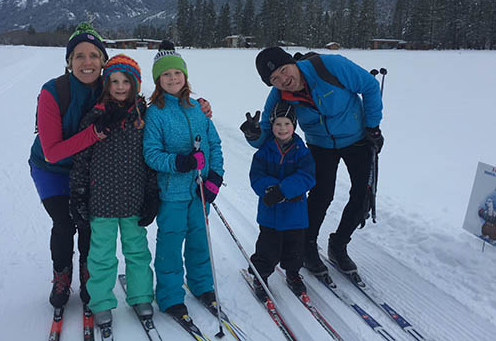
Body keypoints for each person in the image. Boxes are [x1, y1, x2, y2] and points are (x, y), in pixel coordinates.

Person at [241, 47, 383, 276]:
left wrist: (373, 127)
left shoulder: (330, 66)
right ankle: (307, 245)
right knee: (320, 195)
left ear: (293, 63)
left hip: (357, 138)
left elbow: (369, 85)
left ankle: (339, 244)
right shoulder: (279, 95)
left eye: (284, 70)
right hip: (320, 144)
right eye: (275, 79)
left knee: (363, 195)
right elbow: (267, 134)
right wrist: (252, 133)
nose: (283, 80)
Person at [69, 54, 159, 329]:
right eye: (114, 81)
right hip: (102, 201)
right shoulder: (96, 116)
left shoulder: (144, 117)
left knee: (138, 252)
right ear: (106, 85)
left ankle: (141, 295)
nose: (120, 87)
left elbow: (151, 158)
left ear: (135, 85)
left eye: (126, 82)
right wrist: (78, 194)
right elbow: (81, 159)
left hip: (133, 199)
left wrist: (152, 194)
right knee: (102, 256)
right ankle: (101, 302)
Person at [29, 22, 115, 309]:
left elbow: (146, 109)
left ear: (103, 60)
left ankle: (88, 273)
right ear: (69, 61)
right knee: (65, 223)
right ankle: (62, 275)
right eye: (79, 55)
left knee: (90, 223)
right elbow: (52, 152)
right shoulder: (53, 92)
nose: (87, 62)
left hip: (90, 170)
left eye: (94, 55)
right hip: (51, 170)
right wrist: (94, 134)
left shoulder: (112, 87)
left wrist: (196, 105)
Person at [143, 41, 224, 322]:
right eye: (166, 75)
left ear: (185, 76)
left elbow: (214, 143)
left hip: (200, 190)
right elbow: (152, 154)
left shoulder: (198, 108)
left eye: (177, 73)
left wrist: (216, 177)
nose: (173, 78)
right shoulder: (155, 113)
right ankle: (169, 296)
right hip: (173, 193)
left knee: (200, 241)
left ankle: (202, 286)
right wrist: (181, 162)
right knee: (170, 245)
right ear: (158, 79)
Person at [248, 101, 316, 301]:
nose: (282, 128)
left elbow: (307, 176)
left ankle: (293, 273)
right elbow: (256, 176)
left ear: (293, 125)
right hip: (270, 214)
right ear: (272, 126)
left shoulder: (302, 151)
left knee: (294, 249)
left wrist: (284, 190)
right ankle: (260, 275)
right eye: (278, 124)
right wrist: (271, 189)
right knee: (267, 249)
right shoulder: (263, 152)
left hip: (295, 214)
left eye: (287, 124)